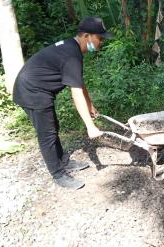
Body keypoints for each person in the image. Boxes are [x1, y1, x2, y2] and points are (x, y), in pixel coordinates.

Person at [12, 17, 113, 190]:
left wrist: (90, 106)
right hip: (32, 92)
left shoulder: (71, 47)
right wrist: (90, 126)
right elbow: (76, 92)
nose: (101, 43)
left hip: (36, 88)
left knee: (53, 126)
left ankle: (64, 161)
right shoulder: (71, 54)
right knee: (47, 134)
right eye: (99, 38)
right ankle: (58, 174)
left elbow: (78, 83)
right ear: (87, 36)